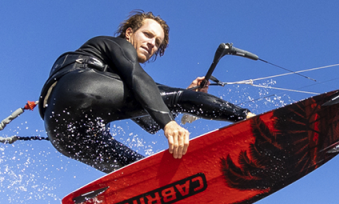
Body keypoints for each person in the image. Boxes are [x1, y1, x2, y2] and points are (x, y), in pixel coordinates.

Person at [39, 11, 254, 174]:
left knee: (138, 171)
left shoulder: (116, 83)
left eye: (157, 42)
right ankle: (250, 119)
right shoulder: (116, 45)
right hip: (81, 87)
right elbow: (138, 78)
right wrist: (180, 104)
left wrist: (186, 97)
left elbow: (150, 122)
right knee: (178, 98)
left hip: (62, 133)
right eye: (148, 35)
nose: (152, 43)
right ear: (129, 33)